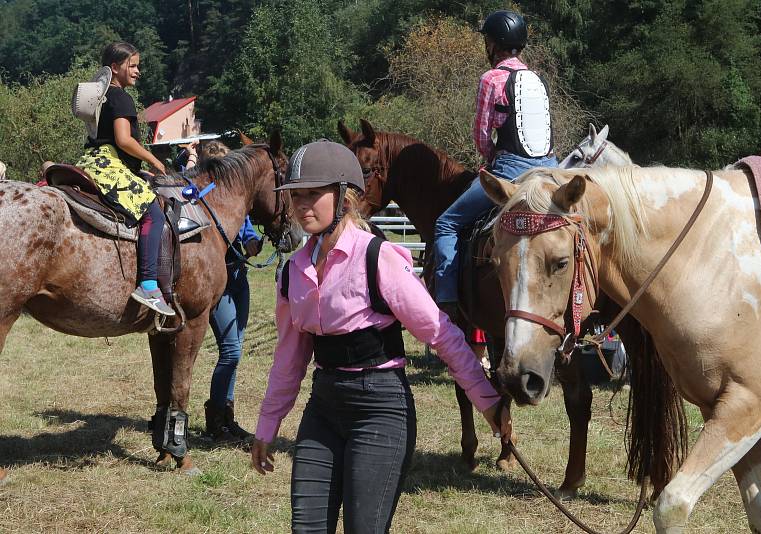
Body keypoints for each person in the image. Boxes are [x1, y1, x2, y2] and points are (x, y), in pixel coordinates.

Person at [250, 140, 512, 533]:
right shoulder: (292, 273)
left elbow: (442, 335)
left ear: (343, 197)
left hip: (381, 409)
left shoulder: (378, 258)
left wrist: (488, 401)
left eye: (313, 195)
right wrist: (267, 426)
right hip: (324, 408)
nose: (302, 205)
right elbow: (289, 359)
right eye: (296, 196)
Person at [433, 10, 559, 311]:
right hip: (550, 170)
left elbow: (481, 135)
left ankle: (447, 300)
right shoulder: (537, 79)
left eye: (487, 41)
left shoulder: (491, 79)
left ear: (493, 44)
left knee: (446, 224)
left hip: (511, 172)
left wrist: (491, 162)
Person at [73, 42, 173, 316]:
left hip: (95, 162)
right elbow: (123, 140)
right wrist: (154, 160)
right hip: (107, 165)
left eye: (138, 65)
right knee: (154, 213)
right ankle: (149, 284)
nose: (137, 71)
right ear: (114, 68)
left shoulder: (104, 97)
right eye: (132, 65)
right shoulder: (122, 98)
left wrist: (139, 170)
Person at [184, 140, 259, 442]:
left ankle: (227, 418)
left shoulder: (235, 203)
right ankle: (216, 420)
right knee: (231, 350)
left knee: (235, 352)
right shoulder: (201, 203)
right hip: (220, 280)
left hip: (239, 278)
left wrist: (253, 243)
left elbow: (248, 229)